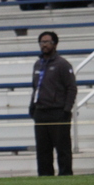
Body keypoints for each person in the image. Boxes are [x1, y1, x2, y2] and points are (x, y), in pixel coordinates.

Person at [29, 31, 77, 176]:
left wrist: (66, 109)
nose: (44, 45)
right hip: (41, 112)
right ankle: (45, 178)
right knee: (43, 150)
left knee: (62, 149)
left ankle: (66, 176)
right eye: (42, 42)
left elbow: (71, 88)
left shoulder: (62, 64)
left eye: (47, 42)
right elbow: (35, 87)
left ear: (55, 44)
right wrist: (33, 107)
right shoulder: (38, 64)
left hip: (58, 112)